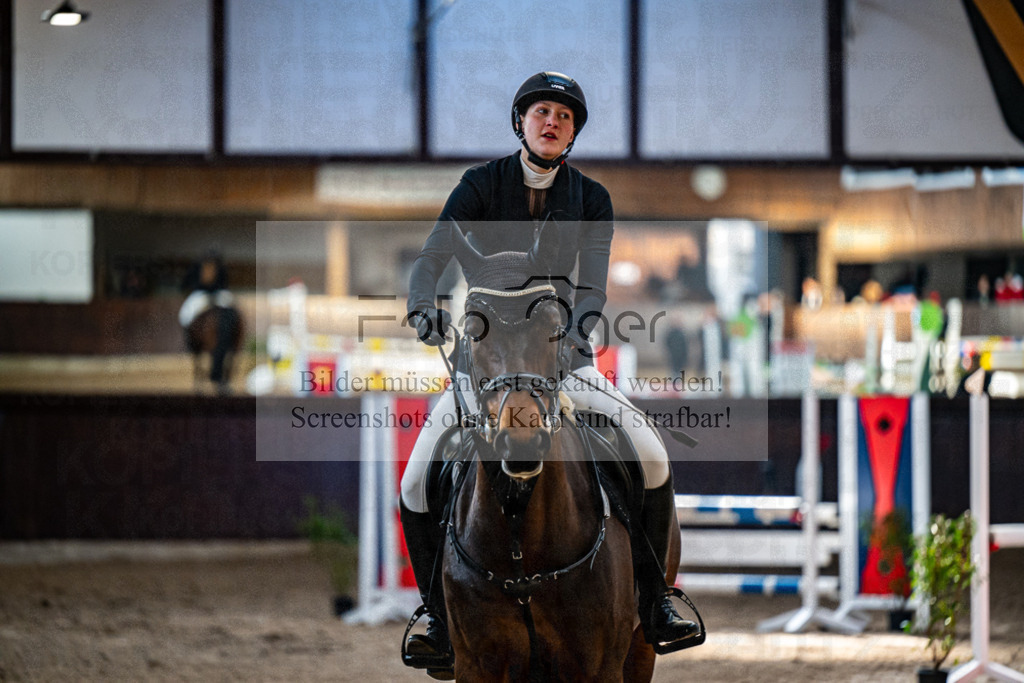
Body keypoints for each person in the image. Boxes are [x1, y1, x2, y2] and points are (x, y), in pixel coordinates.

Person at [399, 72, 700, 674]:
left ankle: (655, 598)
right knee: (414, 480)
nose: (552, 122)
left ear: (572, 133)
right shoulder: (478, 187)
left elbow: (591, 290)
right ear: (521, 122)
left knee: (652, 452)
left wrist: (568, 342)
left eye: (564, 116)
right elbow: (430, 260)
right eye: (542, 111)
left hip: (563, 362)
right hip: (482, 366)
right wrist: (422, 305)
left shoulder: (591, 200)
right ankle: (435, 612)